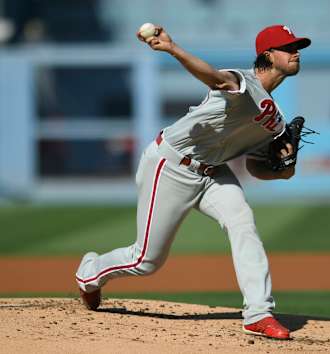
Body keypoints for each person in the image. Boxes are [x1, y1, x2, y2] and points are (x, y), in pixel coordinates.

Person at [75, 24, 311, 340]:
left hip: (214, 173)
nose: (296, 52)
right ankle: (89, 273)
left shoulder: (275, 119)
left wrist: (282, 172)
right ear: (268, 54)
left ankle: (258, 313)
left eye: (297, 47)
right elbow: (214, 78)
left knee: (243, 222)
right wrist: (173, 49)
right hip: (172, 164)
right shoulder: (242, 81)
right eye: (289, 47)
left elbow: (255, 167)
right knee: (146, 260)